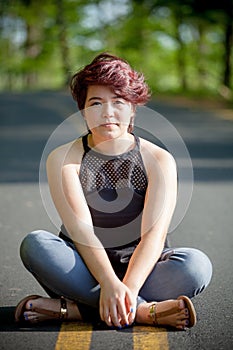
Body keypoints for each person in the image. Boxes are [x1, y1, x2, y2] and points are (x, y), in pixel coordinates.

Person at [15, 53, 212, 330]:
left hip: (144, 271)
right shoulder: (63, 158)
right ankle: (144, 311)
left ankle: (79, 310)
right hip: (82, 269)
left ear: (132, 109)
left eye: (118, 102)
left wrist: (128, 288)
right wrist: (108, 283)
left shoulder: (158, 159)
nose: (107, 113)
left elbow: (154, 237)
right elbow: (80, 230)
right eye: (96, 103)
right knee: (35, 244)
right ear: (83, 109)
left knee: (196, 266)